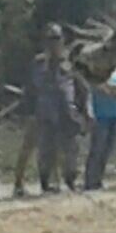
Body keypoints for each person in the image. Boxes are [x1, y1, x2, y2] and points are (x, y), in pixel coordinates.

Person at [23, 23, 91, 192]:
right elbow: (30, 90)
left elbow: (83, 88)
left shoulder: (71, 62)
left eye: (56, 39)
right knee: (46, 151)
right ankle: (47, 183)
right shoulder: (38, 64)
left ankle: (71, 181)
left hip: (68, 114)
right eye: (49, 39)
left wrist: (88, 113)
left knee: (71, 153)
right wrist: (28, 112)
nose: (53, 44)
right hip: (46, 114)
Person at [84, 64, 116, 190]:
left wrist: (112, 89)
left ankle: (98, 180)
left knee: (108, 150)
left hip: (115, 114)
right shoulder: (94, 72)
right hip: (100, 115)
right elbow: (98, 88)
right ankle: (90, 181)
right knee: (97, 149)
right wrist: (114, 90)